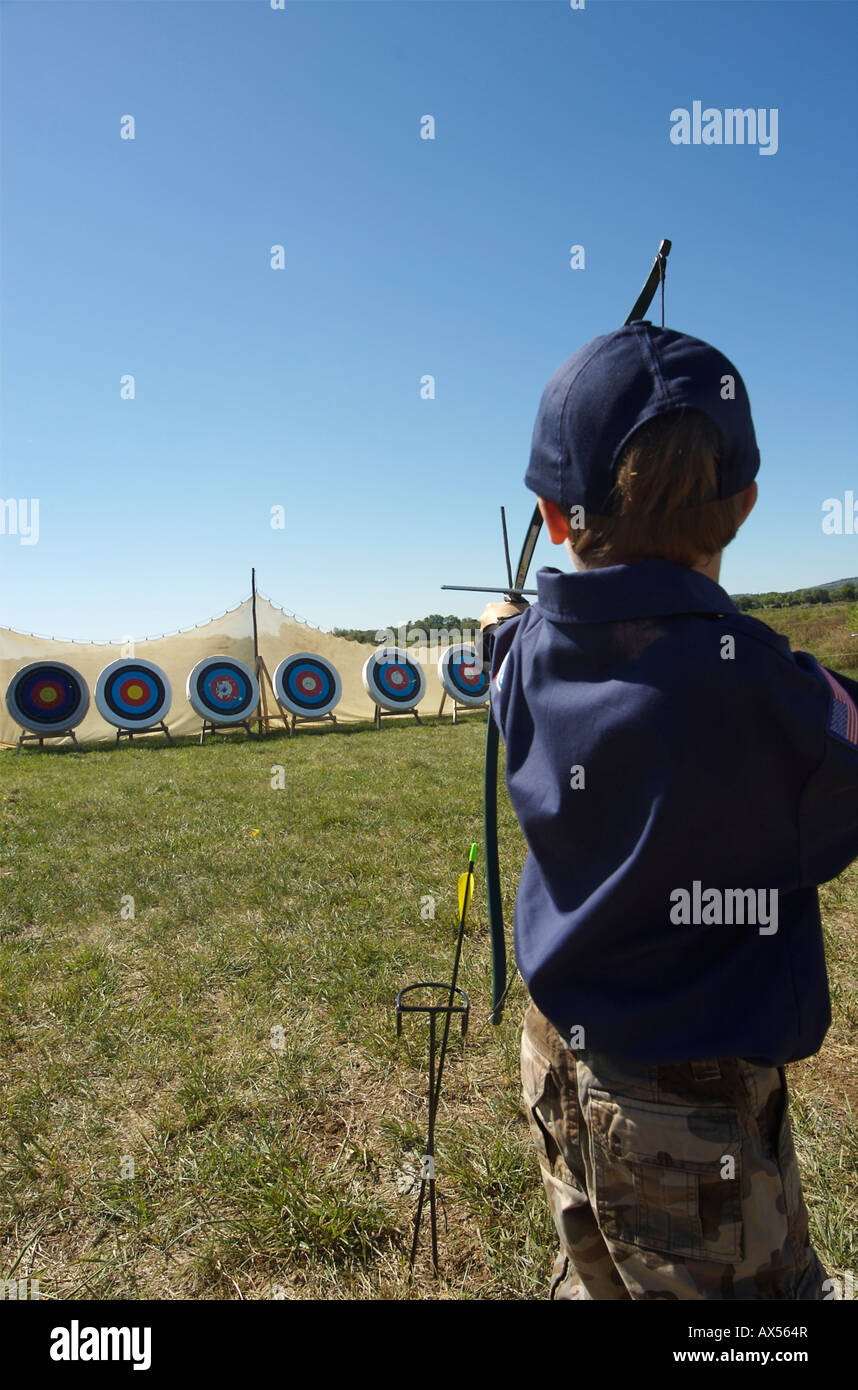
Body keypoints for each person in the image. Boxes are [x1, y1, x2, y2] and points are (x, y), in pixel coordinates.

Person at [481, 321, 858, 1300]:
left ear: (553, 519)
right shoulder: (764, 691)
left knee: (594, 1272)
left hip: (556, 1059)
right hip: (691, 1109)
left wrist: (503, 628)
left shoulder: (525, 659)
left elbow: (502, 650)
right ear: (744, 506)